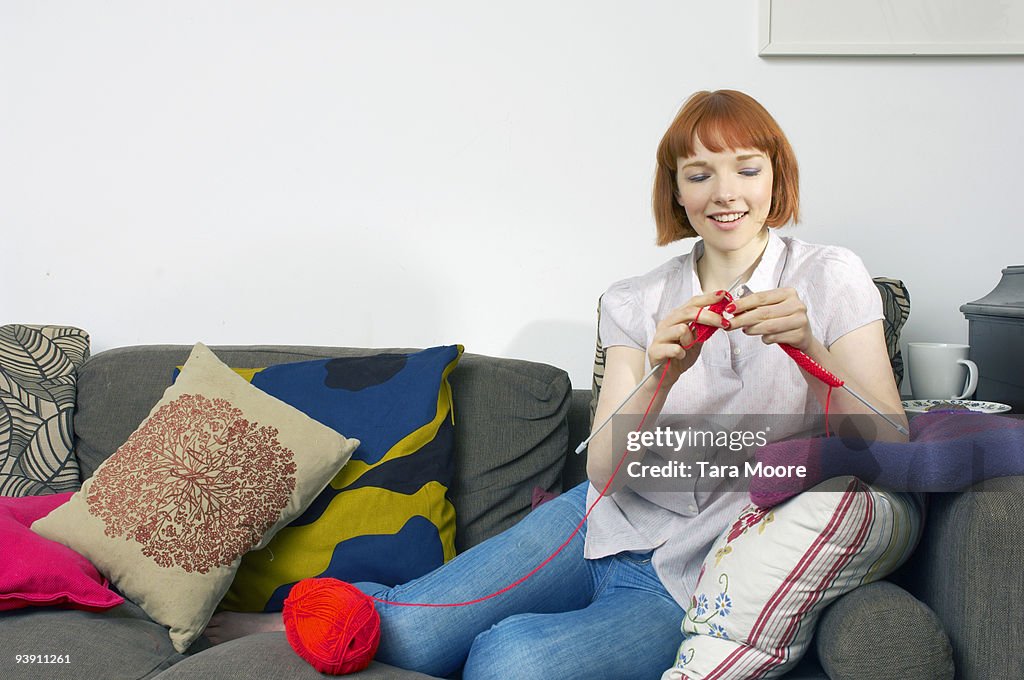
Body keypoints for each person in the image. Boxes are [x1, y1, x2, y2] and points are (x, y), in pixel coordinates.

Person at [204, 89, 909, 679]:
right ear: (676, 192)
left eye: (747, 170)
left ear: (776, 178)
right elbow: (604, 468)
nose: (725, 193)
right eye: (699, 175)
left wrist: (810, 346)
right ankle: (299, 617)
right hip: (599, 520)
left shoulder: (827, 277)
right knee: (415, 641)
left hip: (699, 567)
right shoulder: (635, 300)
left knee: (512, 663)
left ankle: (398, 611)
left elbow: (888, 442)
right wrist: (663, 377)